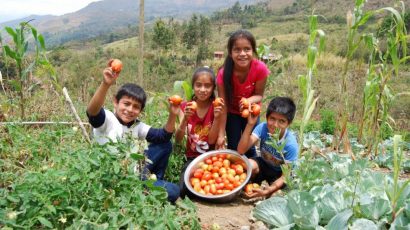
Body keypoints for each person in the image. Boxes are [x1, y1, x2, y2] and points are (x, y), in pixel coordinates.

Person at [86, 59, 180, 203]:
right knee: (173, 191)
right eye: (126, 104)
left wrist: (173, 114)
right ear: (115, 102)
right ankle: (145, 190)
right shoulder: (107, 120)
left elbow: (163, 136)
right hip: (114, 177)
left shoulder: (137, 126)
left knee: (165, 144)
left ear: (140, 111)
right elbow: (92, 112)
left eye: (136, 107)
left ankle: (152, 181)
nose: (130, 110)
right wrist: (106, 84)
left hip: (135, 172)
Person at [216, 29, 270, 158]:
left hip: (251, 113)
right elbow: (223, 106)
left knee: (250, 147)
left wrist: (248, 101)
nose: (242, 54)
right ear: (230, 53)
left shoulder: (260, 69)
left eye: (247, 49)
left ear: (253, 50)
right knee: (234, 148)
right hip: (232, 114)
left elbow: (259, 95)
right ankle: (237, 175)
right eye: (237, 50)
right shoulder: (223, 74)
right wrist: (220, 134)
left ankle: (252, 172)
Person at [175, 66, 224, 197]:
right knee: (184, 190)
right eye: (198, 85)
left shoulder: (217, 107)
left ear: (213, 88)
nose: (202, 90)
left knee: (218, 186)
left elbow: (212, 141)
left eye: (207, 86)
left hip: (211, 159)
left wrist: (217, 117)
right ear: (193, 86)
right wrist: (185, 118)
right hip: (191, 159)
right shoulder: (185, 107)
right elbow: (178, 139)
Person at [237, 97, 298, 199]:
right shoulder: (263, 127)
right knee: (248, 164)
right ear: (266, 117)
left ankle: (268, 191)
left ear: (289, 123)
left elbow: (285, 176)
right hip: (264, 165)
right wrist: (250, 124)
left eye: (281, 121)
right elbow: (241, 150)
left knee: (275, 196)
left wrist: (267, 191)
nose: (275, 125)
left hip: (280, 174)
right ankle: (249, 185)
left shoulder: (290, 144)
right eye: (272, 119)